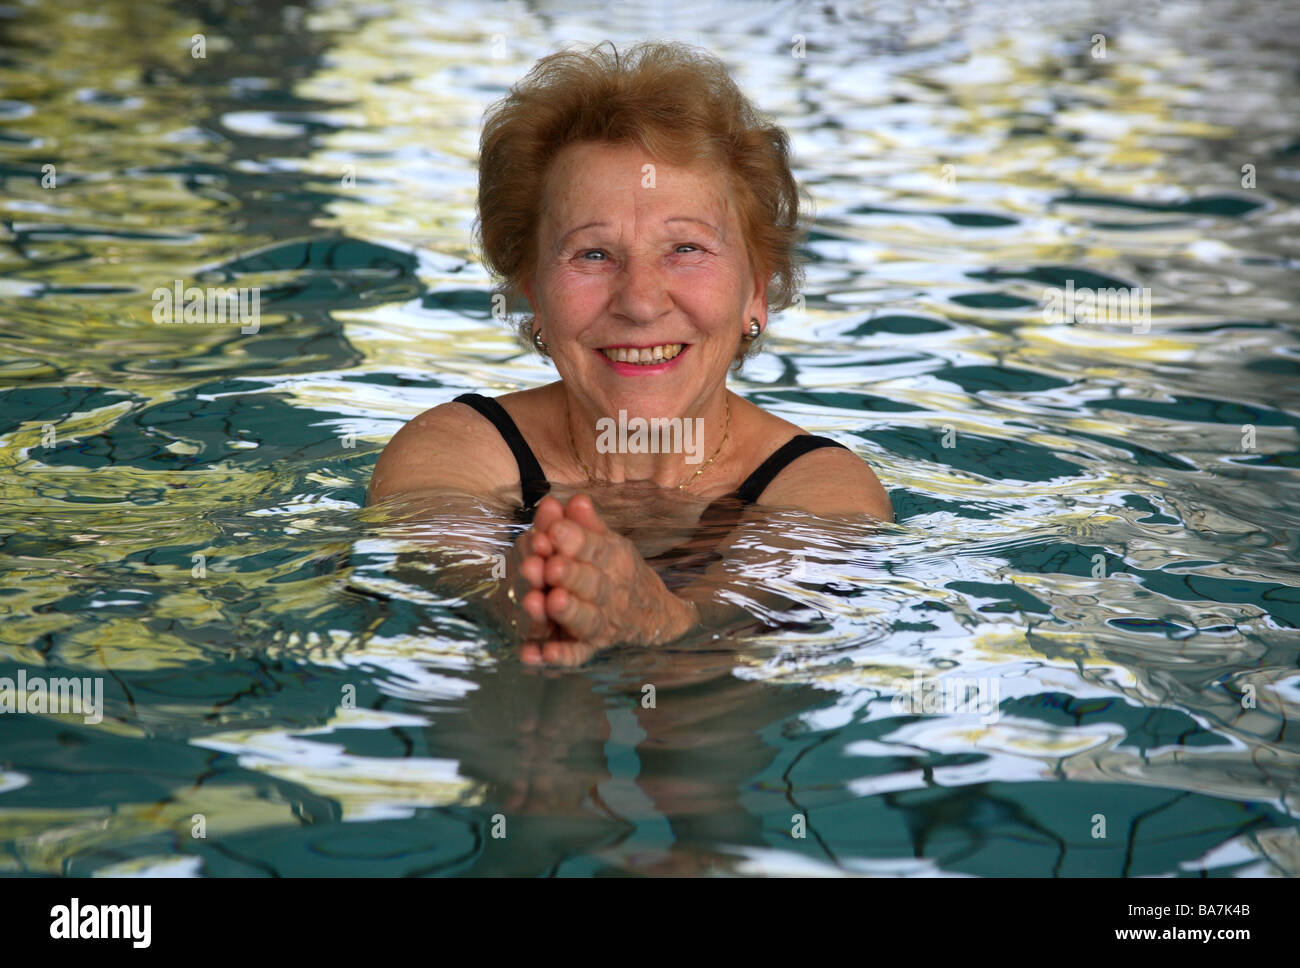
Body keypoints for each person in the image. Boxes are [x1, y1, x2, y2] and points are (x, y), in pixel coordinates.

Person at [368, 40, 891, 667]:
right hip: (518, 691)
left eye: (686, 249)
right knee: (532, 708)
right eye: (592, 254)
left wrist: (659, 620)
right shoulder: (455, 449)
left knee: (698, 722)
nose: (640, 302)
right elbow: (453, 573)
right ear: (534, 292)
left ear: (756, 290)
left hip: (707, 704)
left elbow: (741, 615)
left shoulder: (823, 488)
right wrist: (532, 602)